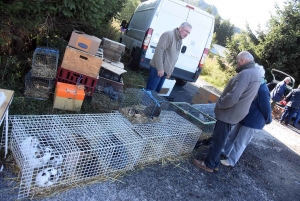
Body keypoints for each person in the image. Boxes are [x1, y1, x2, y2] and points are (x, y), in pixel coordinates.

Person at [192, 51, 261, 173]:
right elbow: (254, 96)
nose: (237, 64)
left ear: (242, 60)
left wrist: (220, 104)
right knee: (222, 138)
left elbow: (233, 97)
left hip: (229, 113)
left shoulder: (245, 74)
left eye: (237, 61)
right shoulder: (257, 74)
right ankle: (214, 162)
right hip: (238, 113)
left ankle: (208, 164)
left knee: (218, 139)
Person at [220, 64, 272, 167]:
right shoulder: (254, 85)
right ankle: (225, 152)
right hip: (244, 117)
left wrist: (268, 120)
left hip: (253, 122)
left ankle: (231, 161)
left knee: (240, 143)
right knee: (232, 136)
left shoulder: (262, 90)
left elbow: (266, 108)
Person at [146, 22, 192, 93]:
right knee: (150, 91)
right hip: (157, 69)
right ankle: (143, 104)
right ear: (180, 28)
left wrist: (169, 72)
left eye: (188, 33)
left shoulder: (179, 40)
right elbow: (159, 51)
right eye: (186, 31)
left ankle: (148, 104)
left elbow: (173, 57)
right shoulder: (169, 34)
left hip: (164, 71)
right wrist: (160, 68)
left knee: (156, 92)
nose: (186, 34)